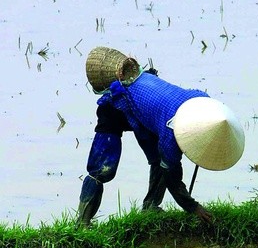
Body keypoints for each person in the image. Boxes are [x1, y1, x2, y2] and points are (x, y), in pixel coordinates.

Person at [76, 63, 212, 226]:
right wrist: (192, 207)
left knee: (158, 158)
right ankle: (82, 222)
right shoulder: (171, 131)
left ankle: (150, 207)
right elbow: (172, 175)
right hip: (114, 107)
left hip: (147, 111)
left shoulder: (202, 100)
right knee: (103, 169)